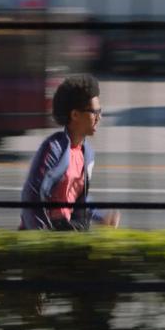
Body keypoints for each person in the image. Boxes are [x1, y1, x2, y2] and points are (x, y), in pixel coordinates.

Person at [20, 74, 121, 231]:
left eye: (100, 111)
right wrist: (39, 237)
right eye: (94, 112)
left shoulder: (87, 153)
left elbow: (78, 198)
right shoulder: (53, 149)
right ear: (75, 115)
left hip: (70, 231)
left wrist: (101, 217)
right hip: (48, 234)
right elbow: (31, 196)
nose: (99, 117)